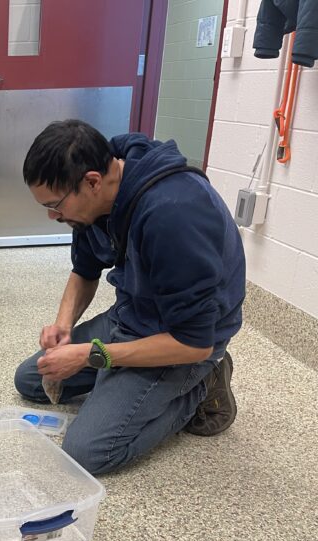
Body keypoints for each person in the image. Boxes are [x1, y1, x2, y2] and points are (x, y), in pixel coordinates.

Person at [14, 120, 245, 475]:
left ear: (91, 181)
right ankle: (123, 384)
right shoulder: (99, 193)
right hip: (135, 315)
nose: (52, 215)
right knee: (31, 380)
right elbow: (84, 270)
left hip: (182, 341)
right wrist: (63, 326)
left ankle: (202, 386)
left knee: (86, 453)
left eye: (55, 205)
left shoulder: (174, 215)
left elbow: (194, 342)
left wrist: (94, 355)